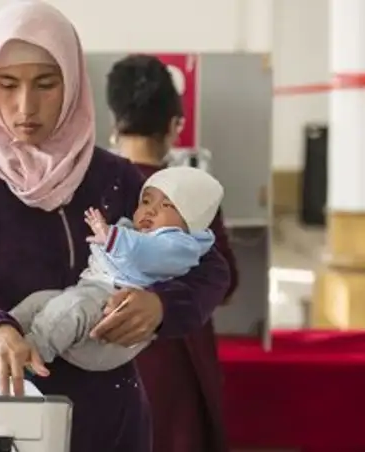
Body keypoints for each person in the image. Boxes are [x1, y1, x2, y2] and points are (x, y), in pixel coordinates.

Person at [0, 2, 230, 451]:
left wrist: (160, 306)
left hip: (107, 413)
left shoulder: (115, 177)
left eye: (46, 84)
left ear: (72, 83)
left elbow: (212, 269)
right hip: (10, 400)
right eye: (7, 84)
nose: (25, 106)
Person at [0, 166, 224, 373]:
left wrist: (161, 304)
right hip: (89, 296)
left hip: (107, 322)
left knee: (71, 308)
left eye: (167, 206)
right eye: (146, 201)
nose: (150, 211)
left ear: (191, 217)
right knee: (39, 303)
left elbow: (149, 253)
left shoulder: (179, 244)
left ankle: (30, 354)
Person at [106, 54, 241, 452]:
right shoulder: (192, 191)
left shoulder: (92, 188)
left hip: (105, 358)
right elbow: (226, 282)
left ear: (114, 122)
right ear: (173, 124)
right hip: (180, 365)